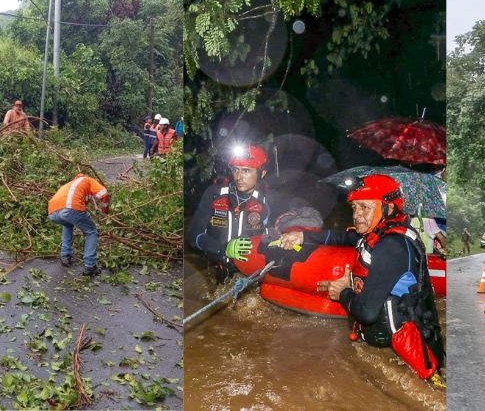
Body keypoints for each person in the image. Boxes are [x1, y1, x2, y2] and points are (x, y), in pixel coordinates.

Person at [279, 174, 445, 384]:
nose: (356, 215)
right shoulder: (377, 234)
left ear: (389, 209)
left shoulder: (392, 246)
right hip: (392, 345)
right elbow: (342, 236)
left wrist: (343, 293)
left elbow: (366, 312)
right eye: (354, 207)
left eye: (365, 207)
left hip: (416, 354)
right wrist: (302, 236)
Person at [186, 144, 272, 283]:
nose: (239, 177)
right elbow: (193, 235)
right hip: (214, 273)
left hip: (251, 276)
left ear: (262, 173)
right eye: (235, 170)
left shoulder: (266, 201)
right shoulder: (215, 194)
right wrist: (223, 248)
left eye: (246, 171)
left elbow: (276, 233)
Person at [47, 173, 110, 277]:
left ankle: (65, 256)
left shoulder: (71, 184)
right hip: (70, 208)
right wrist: (105, 210)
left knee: (68, 224)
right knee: (91, 231)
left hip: (52, 212)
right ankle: (90, 266)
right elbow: (104, 194)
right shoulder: (88, 180)